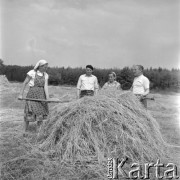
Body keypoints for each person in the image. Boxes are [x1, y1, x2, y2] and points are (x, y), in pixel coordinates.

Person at [18, 60, 49, 131]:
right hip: (32, 95)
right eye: (45, 67)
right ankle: (24, 131)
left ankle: (39, 132)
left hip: (41, 96)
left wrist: (47, 98)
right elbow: (24, 83)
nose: (46, 68)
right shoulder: (32, 73)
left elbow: (45, 86)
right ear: (40, 66)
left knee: (40, 114)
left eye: (47, 67)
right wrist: (20, 94)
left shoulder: (46, 75)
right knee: (29, 112)